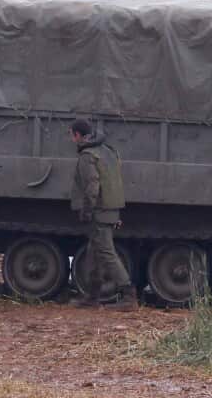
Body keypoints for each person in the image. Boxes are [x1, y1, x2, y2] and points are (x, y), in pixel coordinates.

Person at [70, 119, 136, 310]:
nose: (71, 138)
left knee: (106, 252)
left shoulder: (87, 156)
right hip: (111, 208)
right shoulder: (107, 151)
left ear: (77, 135)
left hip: (99, 211)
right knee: (94, 253)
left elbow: (92, 186)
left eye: (71, 134)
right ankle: (92, 296)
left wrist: (86, 210)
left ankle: (129, 296)